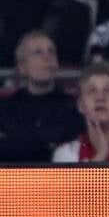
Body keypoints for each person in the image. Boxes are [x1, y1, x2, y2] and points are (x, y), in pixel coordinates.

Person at [0, 31, 84, 163]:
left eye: (51, 52)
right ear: (22, 66)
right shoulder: (6, 109)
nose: (47, 58)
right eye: (37, 52)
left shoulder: (74, 109)